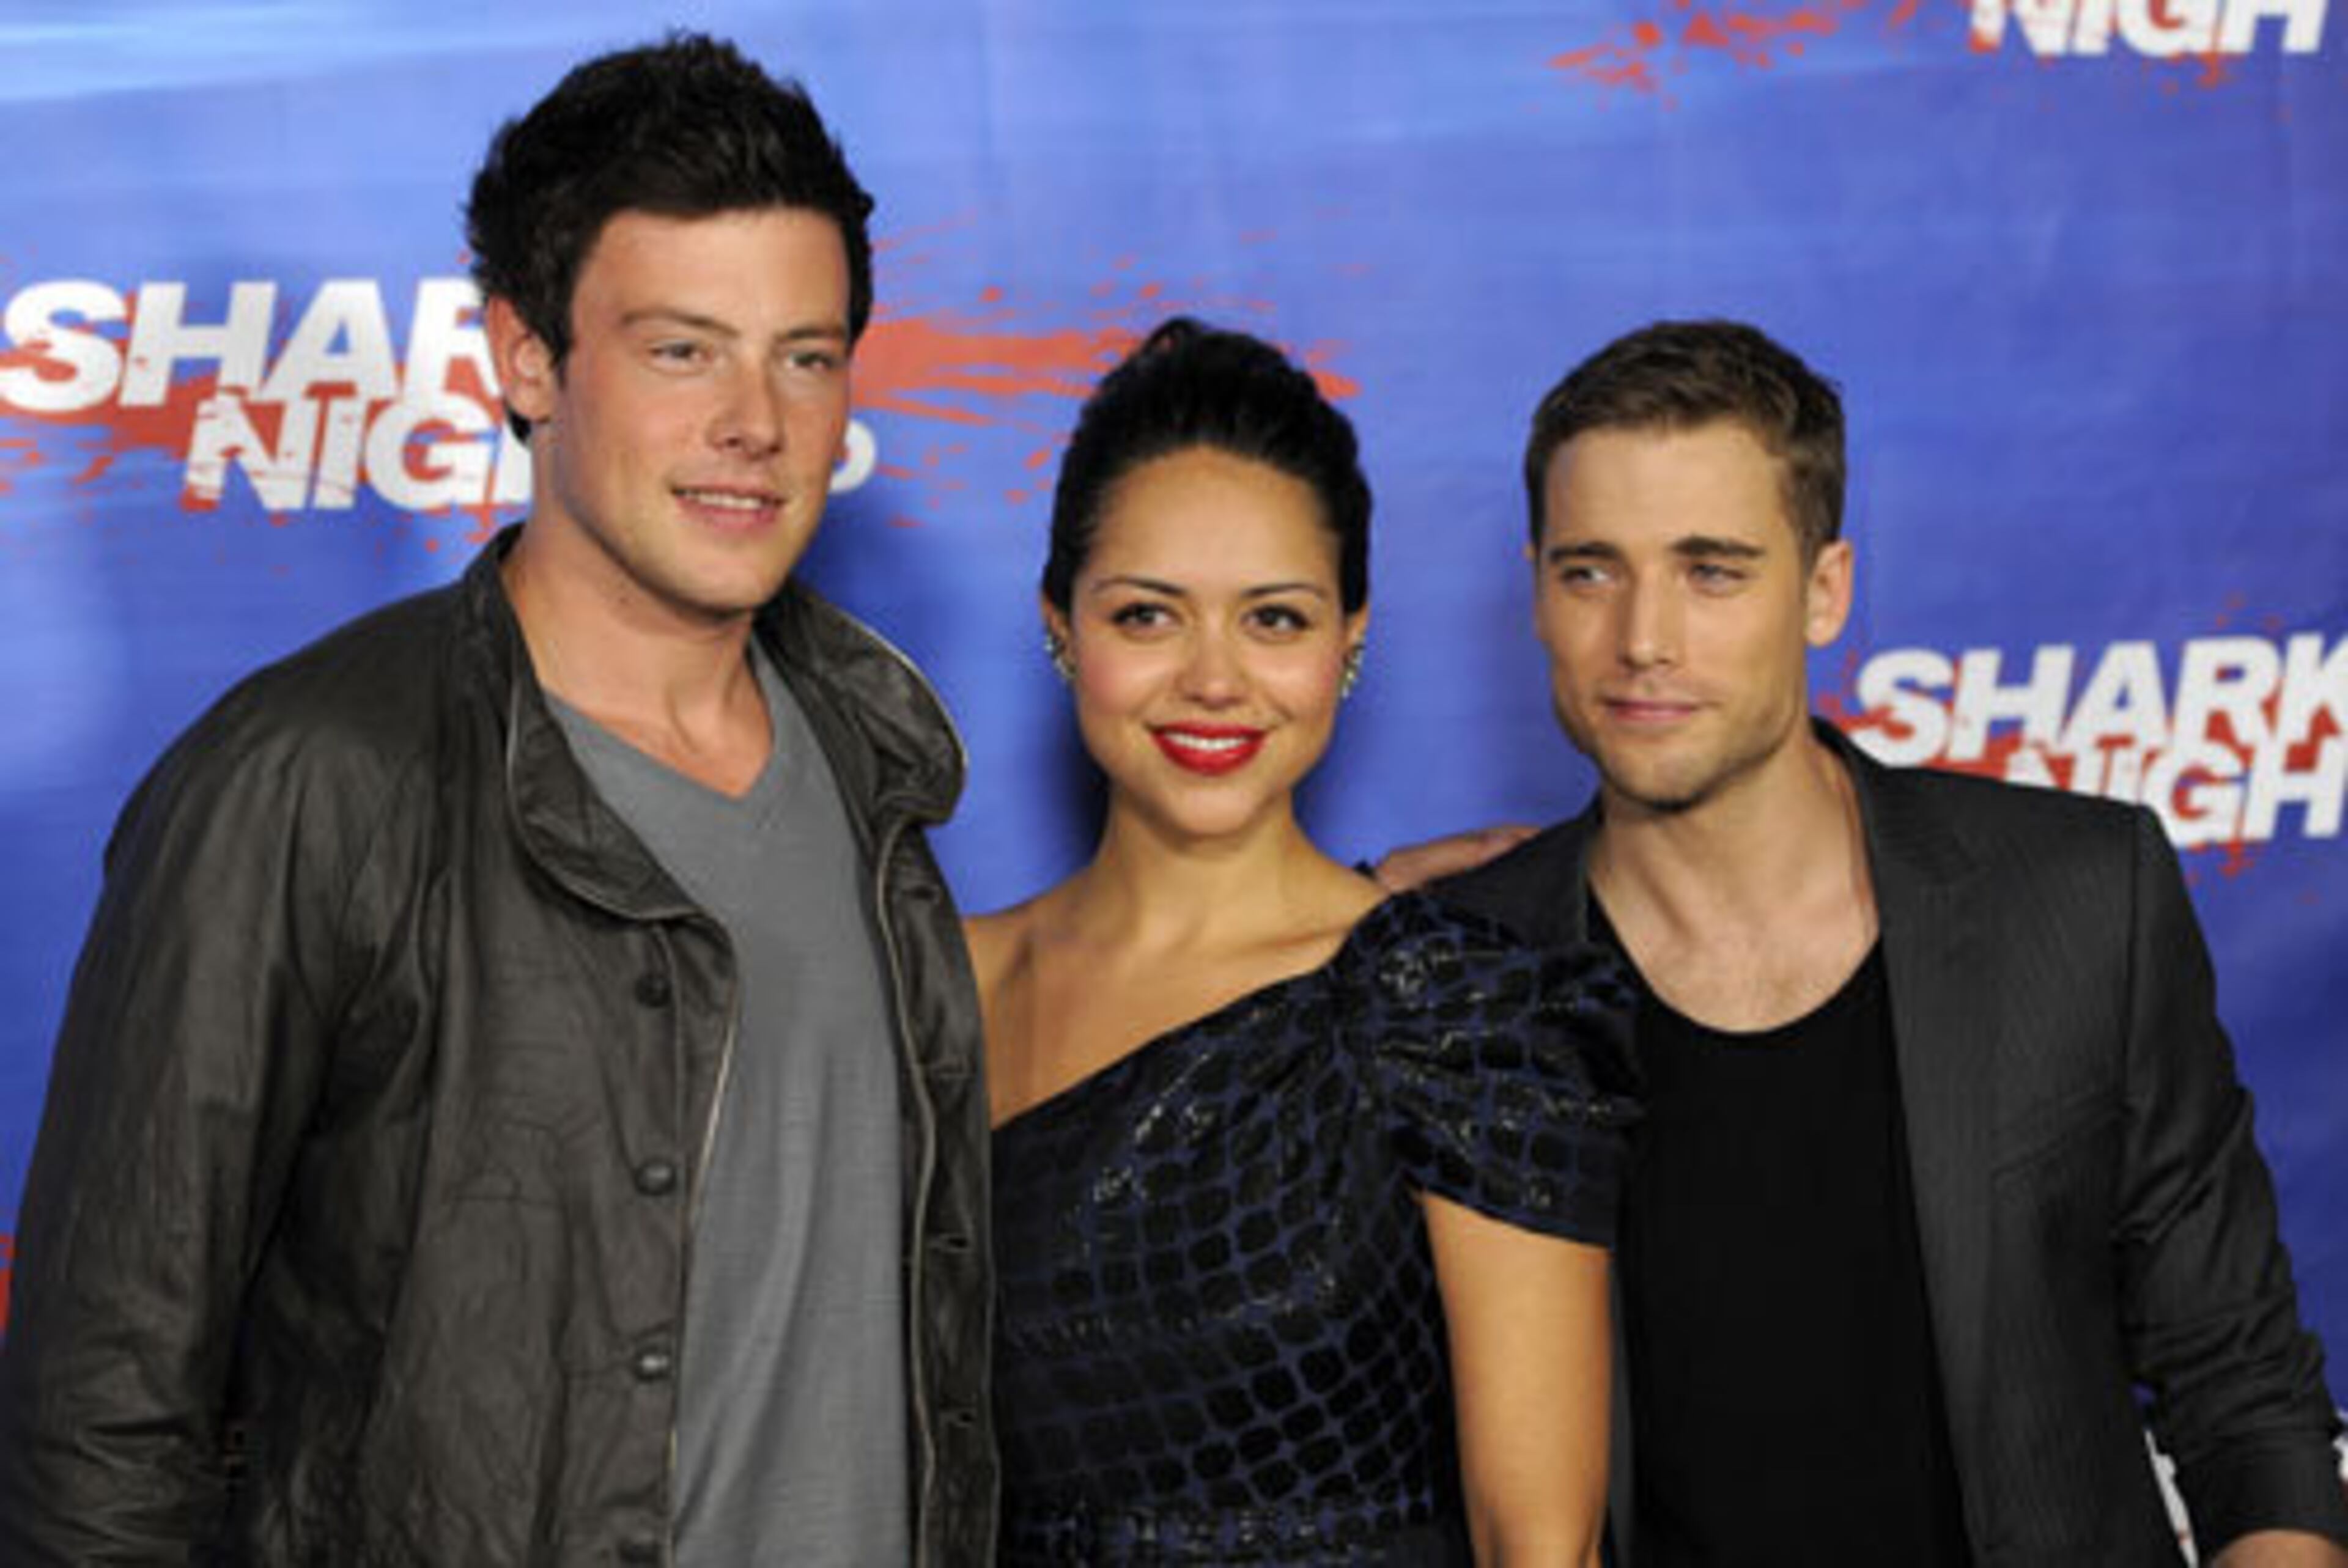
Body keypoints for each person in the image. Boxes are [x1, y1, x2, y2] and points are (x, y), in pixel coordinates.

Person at [0, 35, 994, 1566]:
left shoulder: (878, 773)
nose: (758, 422)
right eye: (682, 349)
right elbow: (102, 1421)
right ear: (525, 358)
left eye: (806, 354)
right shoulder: (305, 779)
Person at [1426, 318, 2348, 1564]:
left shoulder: (2080, 898)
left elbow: (2246, 1401)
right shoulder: (1458, 976)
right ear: (1535, 587)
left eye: (1713, 570)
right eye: (1591, 569)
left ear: (1825, 589)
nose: (1643, 637)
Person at [967, 316, 1640, 1564]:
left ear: (1351, 638)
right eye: (1149, 615)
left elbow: (1539, 1539)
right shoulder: (936, 986)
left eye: (1274, 619)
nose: (1215, 680)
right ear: (1061, 624)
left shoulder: (1453, 1008)